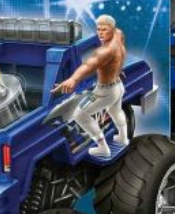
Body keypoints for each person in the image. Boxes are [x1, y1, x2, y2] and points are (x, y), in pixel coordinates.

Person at [53, 15, 128, 157]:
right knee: (115, 110)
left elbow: (88, 66)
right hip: (118, 86)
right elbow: (116, 58)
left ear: (112, 29)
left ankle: (103, 148)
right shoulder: (118, 35)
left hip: (105, 91)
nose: (100, 33)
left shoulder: (105, 51)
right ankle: (123, 138)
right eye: (98, 29)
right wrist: (116, 69)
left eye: (104, 30)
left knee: (79, 114)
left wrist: (73, 79)